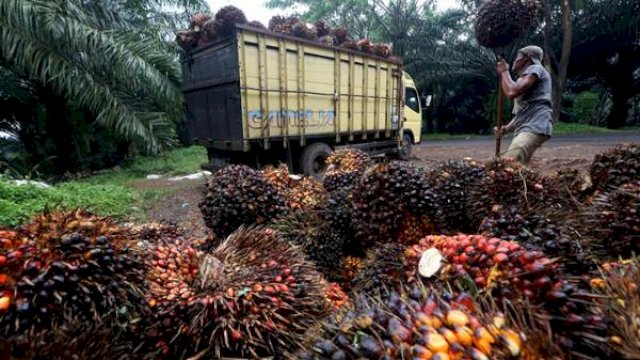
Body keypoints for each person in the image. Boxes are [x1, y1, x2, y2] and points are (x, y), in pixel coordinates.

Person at [494, 45, 553, 165]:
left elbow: (511, 92)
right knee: (518, 168)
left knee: (509, 163)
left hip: (536, 126)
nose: (514, 60)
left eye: (517, 57)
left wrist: (504, 72)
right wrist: (506, 129)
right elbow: (522, 112)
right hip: (526, 128)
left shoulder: (536, 69)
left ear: (527, 58)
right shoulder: (524, 78)